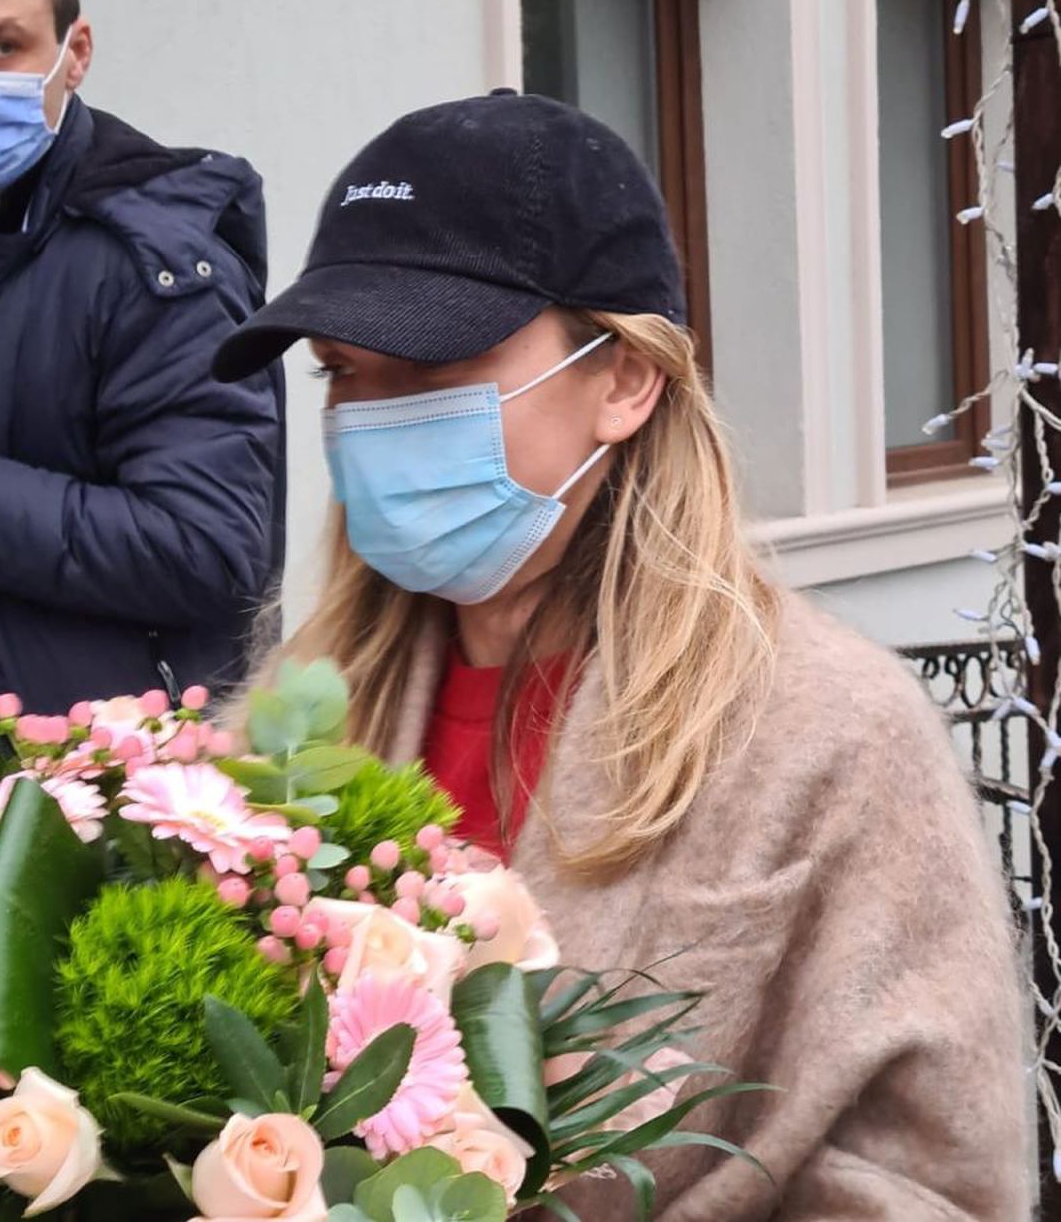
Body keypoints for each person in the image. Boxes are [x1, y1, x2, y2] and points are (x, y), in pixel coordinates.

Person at [214, 91, 1029, 1218]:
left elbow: (930, 1181)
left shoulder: (833, 735)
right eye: (345, 371)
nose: (373, 414)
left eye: (432, 364)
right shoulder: (286, 720)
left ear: (626, 378)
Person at [0, 0, 284, 748]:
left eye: (0, 46)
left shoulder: (157, 260)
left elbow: (208, 548)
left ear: (75, 51)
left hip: (91, 809)